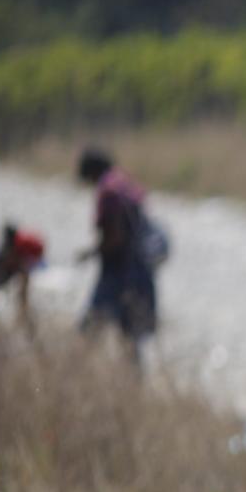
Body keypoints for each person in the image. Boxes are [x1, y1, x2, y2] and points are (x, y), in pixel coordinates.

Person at [76, 148, 158, 359]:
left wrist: (92, 252)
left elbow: (116, 236)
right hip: (138, 270)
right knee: (130, 336)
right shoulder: (124, 181)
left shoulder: (107, 190)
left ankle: (74, 374)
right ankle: (133, 385)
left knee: (89, 329)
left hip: (117, 271)